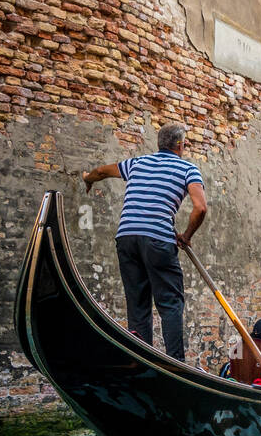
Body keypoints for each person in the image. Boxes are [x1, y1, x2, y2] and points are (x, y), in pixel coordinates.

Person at [83, 123, 207, 359]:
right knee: (170, 304)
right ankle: (175, 364)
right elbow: (200, 208)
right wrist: (187, 236)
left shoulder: (137, 163)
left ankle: (142, 360)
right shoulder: (188, 169)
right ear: (180, 145)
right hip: (158, 239)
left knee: (138, 304)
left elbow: (100, 172)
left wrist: (87, 179)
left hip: (126, 237)